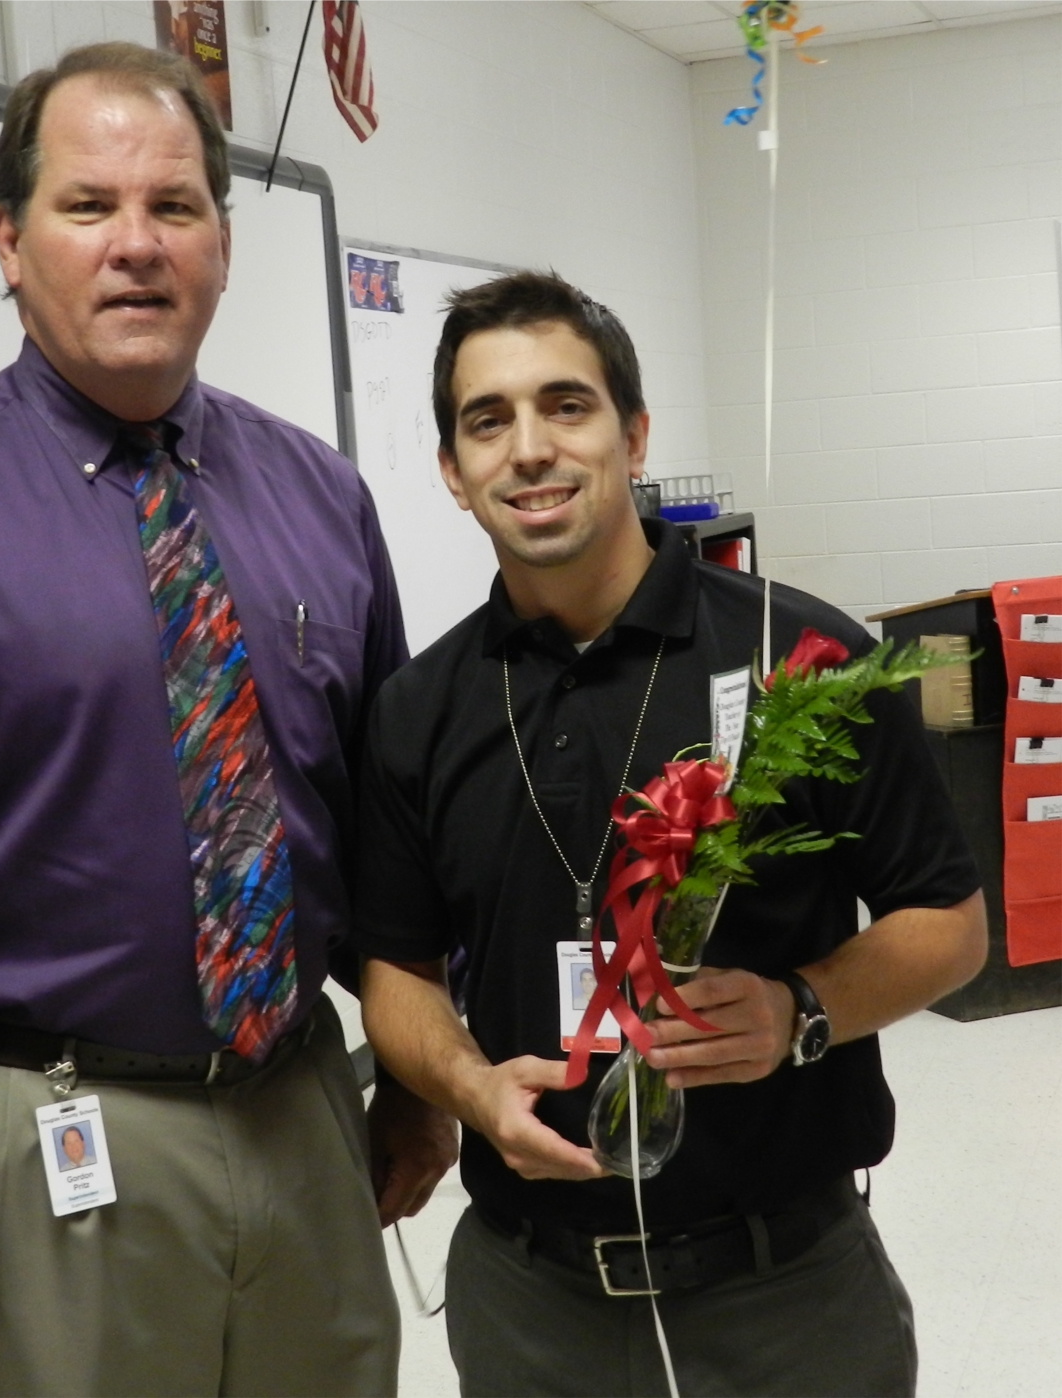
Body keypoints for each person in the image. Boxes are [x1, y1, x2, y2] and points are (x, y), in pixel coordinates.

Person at [0, 41, 455, 1398]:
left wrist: (420, 1074)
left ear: (222, 247)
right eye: (87, 207)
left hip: (304, 1104)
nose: (135, 245)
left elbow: (382, 823)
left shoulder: (318, 496)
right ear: (9, 242)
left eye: (173, 207)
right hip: (44, 1137)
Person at [354, 271, 986, 1398]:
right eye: (485, 421)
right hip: (530, 1304)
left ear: (632, 435)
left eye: (566, 405)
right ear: (452, 474)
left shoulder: (804, 663)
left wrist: (800, 1009)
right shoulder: (417, 711)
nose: (529, 449)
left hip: (786, 1296)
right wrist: (464, 1085)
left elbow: (948, 923)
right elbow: (394, 966)